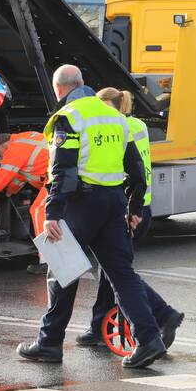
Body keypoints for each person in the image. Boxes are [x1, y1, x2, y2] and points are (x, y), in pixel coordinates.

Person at [17, 65, 168, 368]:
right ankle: (149, 339)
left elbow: (64, 170)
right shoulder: (116, 117)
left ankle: (49, 343)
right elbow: (137, 172)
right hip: (114, 203)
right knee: (121, 275)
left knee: (62, 270)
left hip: (81, 203)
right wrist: (135, 208)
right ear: (83, 84)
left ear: (59, 89)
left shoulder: (69, 117)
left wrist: (52, 213)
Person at [77, 87, 183, 349]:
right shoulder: (136, 125)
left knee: (118, 273)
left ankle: (161, 314)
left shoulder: (118, 128)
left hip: (126, 210)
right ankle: (99, 326)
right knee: (112, 272)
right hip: (141, 206)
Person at [0, 132, 50, 275]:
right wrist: (8, 193)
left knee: (37, 211)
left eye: (1, 154)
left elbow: (1, 177)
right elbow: (19, 178)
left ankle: (46, 261)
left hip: (55, 178)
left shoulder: (15, 149)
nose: (2, 158)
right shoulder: (27, 139)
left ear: (4, 146)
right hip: (67, 173)